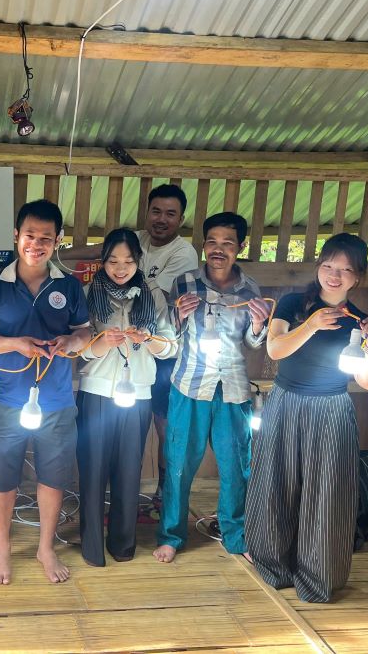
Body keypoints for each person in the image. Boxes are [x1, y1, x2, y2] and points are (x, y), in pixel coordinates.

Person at [246, 233, 368, 603]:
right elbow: (275, 348)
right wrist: (311, 325)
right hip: (286, 401)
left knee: (327, 495)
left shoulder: (360, 321)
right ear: (319, 266)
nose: (334, 275)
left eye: (344, 270)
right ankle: (272, 566)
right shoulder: (293, 304)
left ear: (358, 277)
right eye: (328, 266)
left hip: (332, 408)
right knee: (276, 484)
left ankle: (317, 577)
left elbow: (367, 383)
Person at [0, 199, 91, 585]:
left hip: (57, 400)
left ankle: (45, 547)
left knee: (53, 477)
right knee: (3, 478)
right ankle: (3, 549)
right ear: (16, 236)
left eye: (45, 238)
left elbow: (85, 335)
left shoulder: (69, 287)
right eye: (29, 236)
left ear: (57, 240)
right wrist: (16, 344)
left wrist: (69, 343)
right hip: (9, 399)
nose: (36, 244)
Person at [60, 184, 198, 500]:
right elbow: (105, 251)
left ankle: (163, 496)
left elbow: (147, 294)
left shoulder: (182, 253)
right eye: (156, 211)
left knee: (160, 426)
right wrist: (60, 252)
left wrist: (142, 329)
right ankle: (102, 507)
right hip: (106, 374)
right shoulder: (137, 240)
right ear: (147, 212)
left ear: (181, 218)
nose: (161, 219)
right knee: (99, 446)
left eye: (170, 214)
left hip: (156, 351)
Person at [153, 212, 270, 564]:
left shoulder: (250, 290)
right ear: (203, 245)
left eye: (228, 243)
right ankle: (171, 535)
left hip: (233, 390)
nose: (219, 250)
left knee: (237, 466)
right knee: (178, 463)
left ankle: (237, 536)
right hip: (189, 386)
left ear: (240, 248)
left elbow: (251, 344)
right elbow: (168, 337)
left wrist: (259, 323)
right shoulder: (185, 283)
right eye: (213, 242)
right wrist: (177, 315)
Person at [76, 228, 177, 567]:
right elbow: (79, 351)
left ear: (139, 262)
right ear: (102, 261)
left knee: (129, 470)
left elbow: (170, 348)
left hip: (137, 394)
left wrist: (147, 339)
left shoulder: (155, 297)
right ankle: (91, 546)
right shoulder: (88, 293)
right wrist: (102, 342)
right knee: (92, 471)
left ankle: (123, 544)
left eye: (129, 261)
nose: (121, 268)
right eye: (113, 261)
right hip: (96, 392)